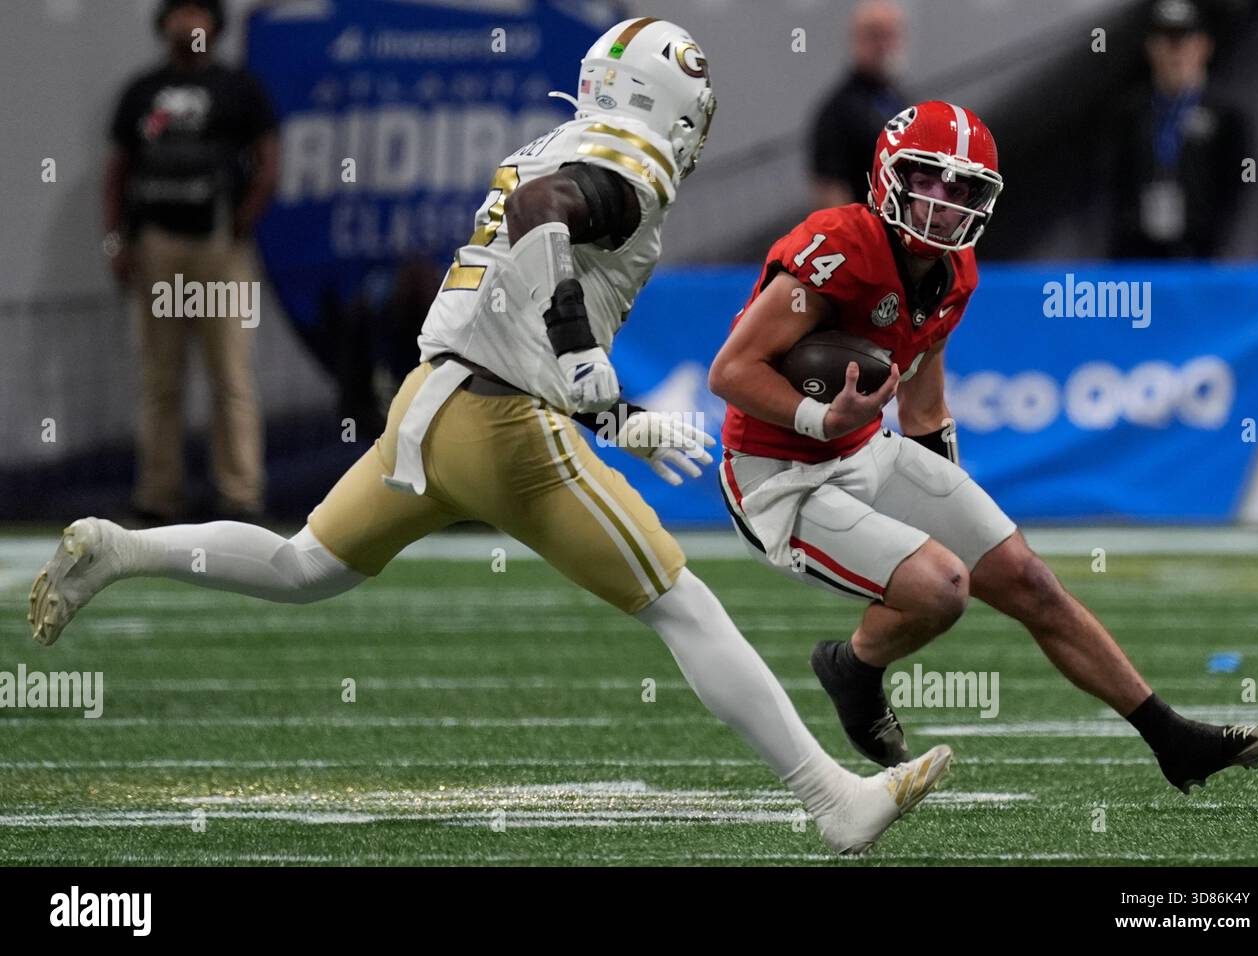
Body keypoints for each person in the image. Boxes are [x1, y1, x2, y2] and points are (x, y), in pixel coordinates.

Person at [31, 18, 951, 856]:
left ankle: (125, 548)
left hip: (431, 402)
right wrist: (580, 351)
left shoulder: (558, 137)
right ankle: (831, 795)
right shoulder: (629, 163)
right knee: (683, 603)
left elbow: (528, 246)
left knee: (301, 566)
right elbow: (542, 213)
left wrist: (613, 409)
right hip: (505, 423)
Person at [709, 100, 1258, 792]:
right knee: (943, 590)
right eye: (932, 181)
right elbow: (730, 372)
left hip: (861, 449)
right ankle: (855, 667)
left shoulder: (955, 272)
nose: (947, 204)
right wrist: (818, 419)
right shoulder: (838, 249)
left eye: (964, 190)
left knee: (1031, 581)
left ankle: (1172, 739)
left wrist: (946, 504)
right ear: (890, 176)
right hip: (778, 474)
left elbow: (923, 403)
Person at [104, 0, 279, 522]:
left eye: (198, 14)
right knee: (160, 377)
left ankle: (241, 495)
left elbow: (269, 160)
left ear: (215, 26)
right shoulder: (141, 92)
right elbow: (117, 171)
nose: (188, 24)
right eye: (179, 13)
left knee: (231, 374)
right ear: (163, 25)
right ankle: (159, 495)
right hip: (158, 245)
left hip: (219, 246)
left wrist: (243, 222)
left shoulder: (239, 88)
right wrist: (117, 242)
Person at [1106, 0, 1249, 258]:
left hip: (1203, 256)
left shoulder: (1226, 114)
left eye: (1183, 41)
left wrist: (1225, 250)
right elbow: (1113, 186)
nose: (1175, 53)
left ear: (1203, 47)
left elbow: (1240, 192)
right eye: (1167, 42)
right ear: (1151, 48)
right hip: (1139, 254)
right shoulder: (1131, 114)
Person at [809, 0, 908, 209]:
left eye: (891, 34)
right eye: (874, 35)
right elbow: (830, 190)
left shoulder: (899, 99)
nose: (884, 45)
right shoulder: (838, 112)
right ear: (856, 39)